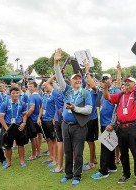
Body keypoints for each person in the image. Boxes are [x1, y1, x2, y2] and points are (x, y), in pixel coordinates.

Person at [103, 57, 136, 187]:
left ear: (135, 84)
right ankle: (126, 174)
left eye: (129, 82)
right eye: (125, 82)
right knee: (123, 153)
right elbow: (108, 97)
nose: (126, 83)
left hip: (132, 127)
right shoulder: (121, 95)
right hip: (120, 128)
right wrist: (105, 88)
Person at [54, 48, 92, 186]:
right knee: (67, 151)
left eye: (79, 78)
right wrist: (56, 63)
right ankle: (68, 174)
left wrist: (75, 108)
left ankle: (77, 176)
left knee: (78, 153)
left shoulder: (85, 93)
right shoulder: (68, 90)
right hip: (65, 125)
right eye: (74, 79)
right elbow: (58, 77)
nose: (77, 80)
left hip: (79, 127)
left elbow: (89, 110)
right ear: (70, 82)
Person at [91, 63, 122, 179]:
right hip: (103, 122)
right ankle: (112, 166)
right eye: (103, 79)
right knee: (110, 145)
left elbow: (118, 85)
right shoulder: (102, 90)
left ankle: (103, 171)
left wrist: (119, 72)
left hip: (110, 123)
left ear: (111, 80)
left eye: (107, 79)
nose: (105, 81)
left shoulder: (115, 90)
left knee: (105, 146)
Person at [0, 87, 28, 169]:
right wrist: (6, 128)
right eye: (13, 93)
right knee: (8, 146)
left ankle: (22, 161)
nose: (15, 95)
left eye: (17, 93)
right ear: (10, 94)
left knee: (21, 144)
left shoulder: (22, 103)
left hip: (19, 126)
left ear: (19, 93)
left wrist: (24, 123)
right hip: (8, 126)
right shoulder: (5, 104)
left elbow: (24, 114)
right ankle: (8, 162)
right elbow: (1, 118)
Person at [38, 81, 61, 167]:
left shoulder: (54, 95)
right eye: (43, 85)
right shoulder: (44, 95)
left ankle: (56, 159)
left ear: (51, 85)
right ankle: (51, 156)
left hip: (51, 120)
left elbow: (58, 107)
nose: (44, 87)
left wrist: (55, 117)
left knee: (54, 140)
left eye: (45, 85)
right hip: (44, 119)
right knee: (48, 139)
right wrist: (38, 118)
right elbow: (42, 107)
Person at [25, 82, 43, 160]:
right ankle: (38, 152)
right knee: (38, 136)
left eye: (31, 87)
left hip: (32, 119)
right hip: (38, 119)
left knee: (33, 138)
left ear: (35, 88)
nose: (30, 88)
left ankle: (33, 155)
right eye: (29, 86)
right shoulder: (39, 96)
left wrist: (25, 116)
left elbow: (32, 108)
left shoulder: (32, 97)